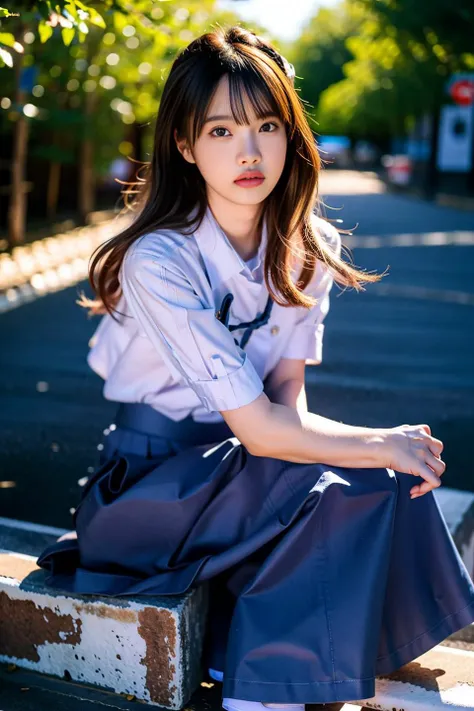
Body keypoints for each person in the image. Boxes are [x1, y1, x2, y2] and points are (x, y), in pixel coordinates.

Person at [37, 25, 474, 711]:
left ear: (290, 133)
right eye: (219, 131)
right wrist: (375, 439)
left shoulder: (306, 246)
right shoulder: (160, 258)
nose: (248, 151)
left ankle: (317, 664)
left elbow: (285, 412)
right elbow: (266, 433)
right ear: (184, 144)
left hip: (239, 467)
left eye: (266, 124)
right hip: (146, 488)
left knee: (387, 476)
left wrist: (385, 447)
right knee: (343, 481)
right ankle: (263, 691)